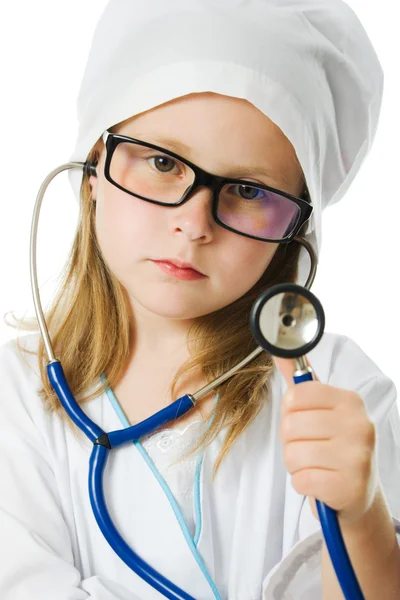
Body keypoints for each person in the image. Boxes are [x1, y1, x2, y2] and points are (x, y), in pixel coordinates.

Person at [1, 1, 400, 598]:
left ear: (293, 232)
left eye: (246, 190)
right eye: (162, 162)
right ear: (93, 173)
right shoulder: (15, 398)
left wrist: (363, 517)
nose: (193, 224)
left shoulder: (340, 391)